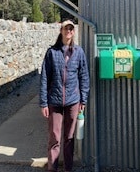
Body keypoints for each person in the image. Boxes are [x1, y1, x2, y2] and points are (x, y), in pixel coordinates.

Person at [40, 20, 90, 172]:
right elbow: (44, 78)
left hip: (73, 101)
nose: (68, 31)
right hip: (54, 102)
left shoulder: (79, 52)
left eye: (71, 29)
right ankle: (52, 168)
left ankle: (68, 168)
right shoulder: (52, 52)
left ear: (73, 32)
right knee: (54, 137)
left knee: (69, 138)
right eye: (65, 28)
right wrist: (43, 103)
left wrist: (83, 99)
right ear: (61, 30)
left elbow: (84, 76)